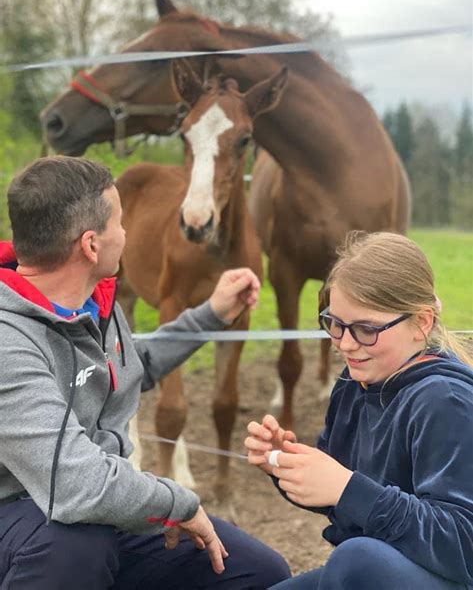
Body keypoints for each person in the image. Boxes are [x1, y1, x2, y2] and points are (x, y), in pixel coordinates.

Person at [0, 156, 290, 590]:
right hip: (23, 514)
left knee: (258, 572)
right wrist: (178, 504)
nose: (127, 233)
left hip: (96, 510)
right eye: (120, 222)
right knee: (78, 547)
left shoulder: (94, 305)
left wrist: (209, 315)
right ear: (91, 245)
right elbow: (76, 485)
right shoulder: (8, 340)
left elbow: (127, 367)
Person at [245, 231, 473, 590]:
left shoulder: (444, 400)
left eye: (366, 329)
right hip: (374, 571)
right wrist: (287, 464)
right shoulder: (354, 383)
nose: (346, 344)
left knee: (356, 559)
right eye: (334, 324)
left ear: (422, 322)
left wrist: (348, 489)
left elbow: (463, 543)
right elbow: (345, 503)